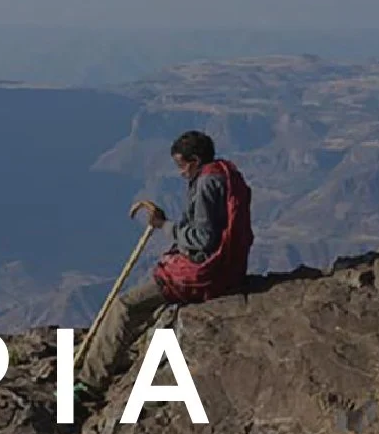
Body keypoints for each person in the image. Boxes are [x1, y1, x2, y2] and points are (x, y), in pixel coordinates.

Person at [74, 130, 253, 393]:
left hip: (203, 273)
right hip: (227, 268)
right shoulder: (225, 174)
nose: (180, 172)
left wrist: (164, 225)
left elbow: (203, 239)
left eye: (182, 165)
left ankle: (89, 383)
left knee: (125, 306)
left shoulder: (206, 184)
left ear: (195, 160)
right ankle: (111, 357)